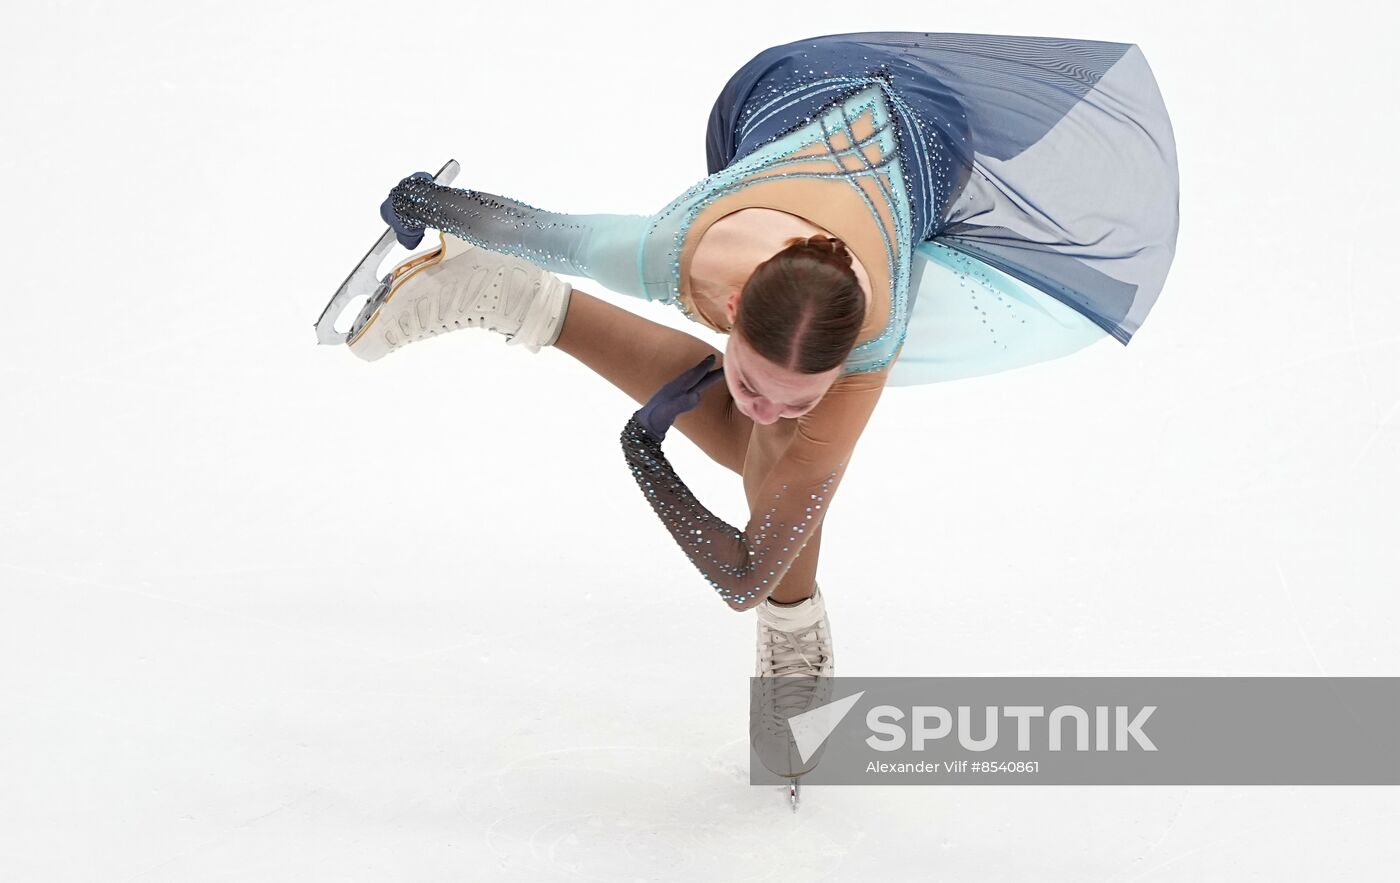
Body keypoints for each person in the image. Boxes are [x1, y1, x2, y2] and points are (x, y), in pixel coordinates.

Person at [343, 32, 1178, 700]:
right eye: (747, 380)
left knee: (774, 467)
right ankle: (497, 288)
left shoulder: (867, 348)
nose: (767, 408)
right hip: (789, 90)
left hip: (929, 141)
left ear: (845, 363)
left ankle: (794, 629)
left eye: (797, 394)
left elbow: (744, 572)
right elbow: (552, 232)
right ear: (731, 311)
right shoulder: (677, 249)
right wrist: (429, 203)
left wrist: (645, 448)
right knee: (762, 458)